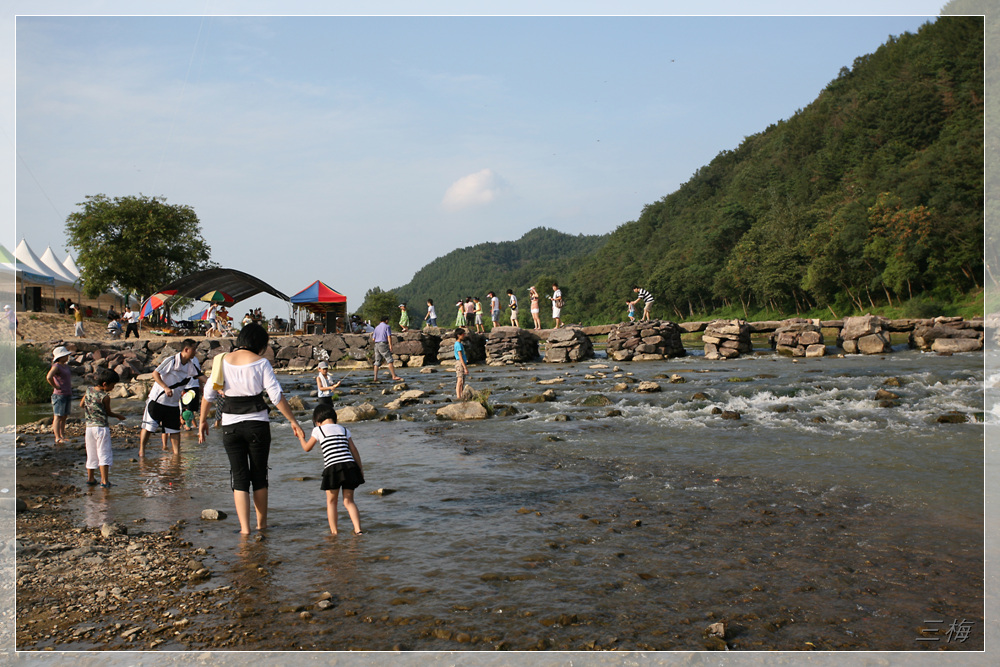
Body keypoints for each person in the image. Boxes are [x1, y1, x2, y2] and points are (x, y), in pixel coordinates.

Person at [199, 323, 304, 535]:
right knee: (259, 476)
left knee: (239, 478)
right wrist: (293, 421)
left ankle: (245, 531)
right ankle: (262, 526)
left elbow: (208, 395)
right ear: (258, 344)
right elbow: (276, 396)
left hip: (230, 425)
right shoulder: (261, 363)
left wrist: (202, 421)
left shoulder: (221, 361)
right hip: (257, 424)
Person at [298, 404, 365, 536]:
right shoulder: (344, 429)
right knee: (349, 501)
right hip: (350, 466)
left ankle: (334, 532)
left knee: (332, 501)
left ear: (317, 421)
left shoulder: (318, 430)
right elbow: (354, 450)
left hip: (333, 468)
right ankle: (358, 530)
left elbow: (307, 448)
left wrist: (300, 436)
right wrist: (360, 468)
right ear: (334, 418)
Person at [139, 339, 204, 457]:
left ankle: (176, 455)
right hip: (157, 400)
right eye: (194, 349)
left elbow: (201, 377)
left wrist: (217, 387)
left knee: (174, 431)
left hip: (173, 403)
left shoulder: (190, 365)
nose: (195, 352)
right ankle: (142, 452)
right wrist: (165, 387)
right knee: (148, 427)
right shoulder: (171, 360)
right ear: (186, 349)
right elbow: (155, 373)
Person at [81, 368, 125, 488]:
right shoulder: (105, 397)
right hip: (101, 428)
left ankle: (90, 478)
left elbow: (81, 404)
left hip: (89, 427)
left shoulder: (88, 390)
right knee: (104, 453)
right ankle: (104, 481)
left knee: (91, 453)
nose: (113, 388)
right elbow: (108, 413)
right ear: (105, 384)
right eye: (112, 385)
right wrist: (118, 416)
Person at [46, 346, 73, 445]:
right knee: (58, 416)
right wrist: (55, 386)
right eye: (65, 355)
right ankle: (57, 437)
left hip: (67, 393)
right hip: (59, 395)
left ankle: (62, 435)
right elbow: (49, 377)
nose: (67, 357)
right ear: (60, 357)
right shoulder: (56, 366)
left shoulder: (65, 366)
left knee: (64, 416)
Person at [371, 315, 403, 382]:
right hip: (383, 344)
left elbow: (373, 339)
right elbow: (389, 336)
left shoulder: (376, 327)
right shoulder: (387, 326)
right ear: (386, 320)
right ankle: (394, 376)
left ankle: (375, 378)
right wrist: (390, 345)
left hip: (376, 344)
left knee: (377, 361)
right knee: (389, 360)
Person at [453, 327, 470, 400]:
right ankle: (458, 396)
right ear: (458, 335)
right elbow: (460, 357)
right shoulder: (458, 344)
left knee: (462, 380)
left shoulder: (459, 344)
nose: (464, 335)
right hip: (460, 363)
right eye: (462, 334)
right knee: (459, 380)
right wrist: (465, 368)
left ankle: (461, 394)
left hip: (461, 362)